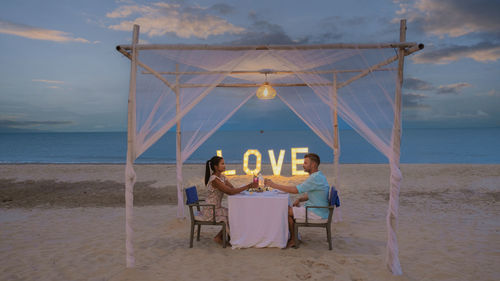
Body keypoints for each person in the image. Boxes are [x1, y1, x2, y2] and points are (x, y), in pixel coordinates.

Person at [264, 153, 329, 248]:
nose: (303, 165)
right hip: (318, 209)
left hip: (315, 212)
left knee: (284, 211)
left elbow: (295, 190)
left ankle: (292, 239)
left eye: (306, 163)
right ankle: (293, 238)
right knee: (288, 210)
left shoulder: (314, 178)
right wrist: (300, 199)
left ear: (314, 164)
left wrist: (273, 185)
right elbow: (315, 193)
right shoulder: (319, 176)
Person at [203, 155, 257, 245]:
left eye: (224, 163)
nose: (224, 165)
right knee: (234, 214)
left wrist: (247, 187)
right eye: (222, 164)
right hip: (211, 210)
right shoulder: (215, 180)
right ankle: (219, 237)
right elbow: (230, 192)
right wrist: (248, 186)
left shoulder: (222, 177)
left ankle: (231, 237)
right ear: (216, 167)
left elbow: (232, 188)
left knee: (235, 213)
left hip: (217, 208)